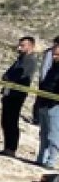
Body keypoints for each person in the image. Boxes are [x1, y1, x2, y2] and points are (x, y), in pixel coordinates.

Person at [0, 37, 36, 157]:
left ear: (30, 46)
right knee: (5, 121)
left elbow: (18, 77)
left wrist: (9, 78)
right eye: (19, 45)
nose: (19, 48)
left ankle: (11, 149)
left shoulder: (30, 61)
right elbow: (6, 74)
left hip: (17, 95)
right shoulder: (20, 59)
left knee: (12, 121)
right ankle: (7, 147)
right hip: (9, 92)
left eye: (23, 46)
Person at [35, 40, 59, 170]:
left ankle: (51, 161)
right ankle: (41, 159)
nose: (54, 48)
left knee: (54, 135)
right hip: (44, 102)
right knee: (43, 133)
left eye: (56, 45)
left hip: (55, 105)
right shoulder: (54, 65)